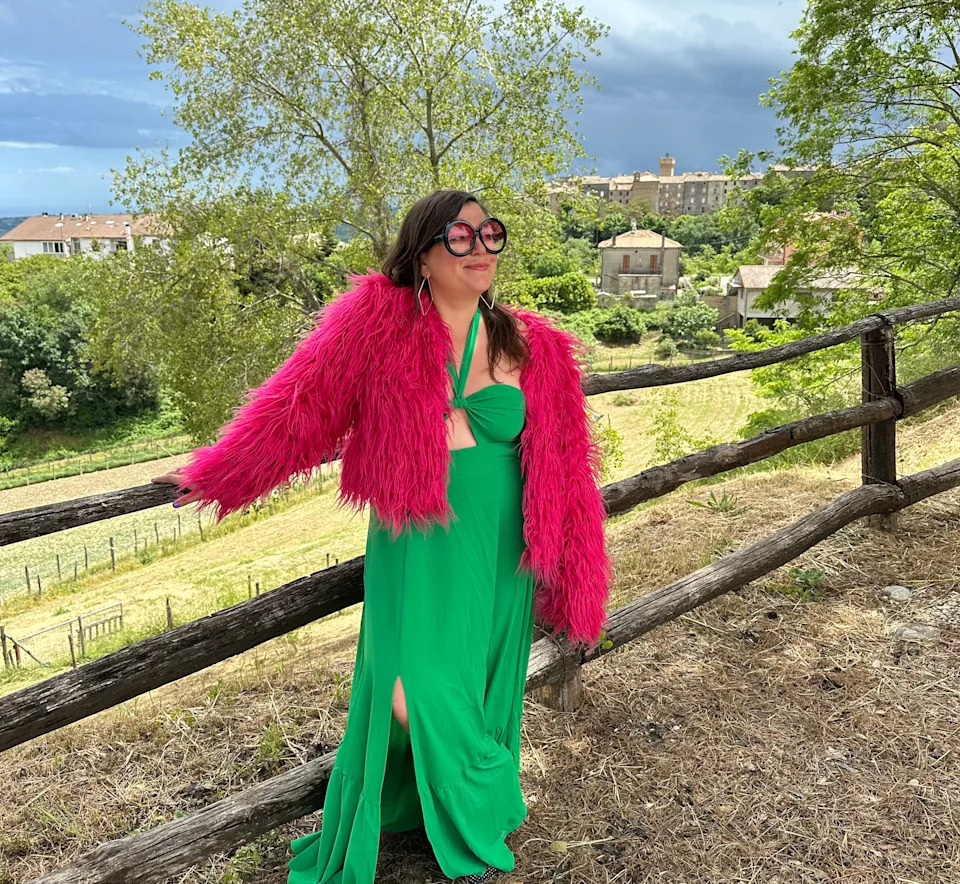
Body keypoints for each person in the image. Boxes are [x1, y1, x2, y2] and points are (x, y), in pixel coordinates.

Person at [152, 189, 613, 884]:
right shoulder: (378, 326)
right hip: (419, 544)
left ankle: (462, 806)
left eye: (491, 234)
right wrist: (219, 476)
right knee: (408, 688)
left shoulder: (533, 345)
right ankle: (481, 797)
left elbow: (568, 465)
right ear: (422, 253)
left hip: (502, 546)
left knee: (484, 681)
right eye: (460, 238)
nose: (481, 249)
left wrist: (574, 570)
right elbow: (298, 406)